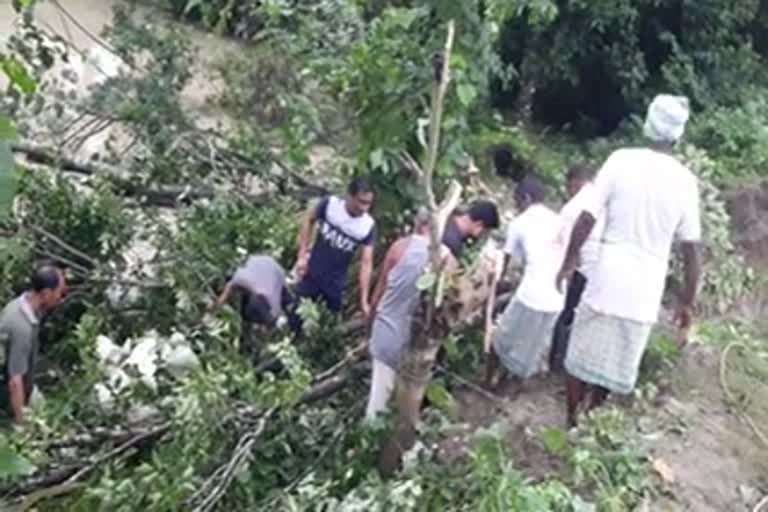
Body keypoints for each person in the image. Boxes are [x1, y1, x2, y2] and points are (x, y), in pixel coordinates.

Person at [556, 94, 701, 427]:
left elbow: (586, 217)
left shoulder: (621, 161)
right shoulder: (685, 182)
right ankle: (592, 417)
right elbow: (692, 251)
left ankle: (572, 423)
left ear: (648, 124)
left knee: (579, 356)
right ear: (678, 135)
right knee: (614, 362)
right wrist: (687, 302)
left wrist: (569, 260)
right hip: (645, 291)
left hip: (607, 278)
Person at [365, 201, 499, 421]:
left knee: (380, 398)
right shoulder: (449, 258)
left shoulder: (400, 246)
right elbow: (446, 309)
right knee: (395, 406)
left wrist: (369, 326)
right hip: (412, 342)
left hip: (385, 333)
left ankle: (375, 439)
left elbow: (379, 292)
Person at [487, 177, 566, 388]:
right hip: (557, 298)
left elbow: (504, 262)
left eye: (517, 200)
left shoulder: (520, 223)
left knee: (500, 340)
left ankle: (488, 384)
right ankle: (510, 389)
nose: (516, 205)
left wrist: (493, 287)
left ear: (526, 198)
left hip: (531, 295)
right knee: (530, 348)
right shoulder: (559, 221)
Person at [291, 177, 377, 332]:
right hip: (311, 273)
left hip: (335, 284)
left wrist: (364, 300)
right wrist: (302, 256)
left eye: (368, 203)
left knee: (328, 328)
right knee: (295, 317)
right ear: (349, 196)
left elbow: (366, 263)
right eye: (361, 202)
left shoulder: (367, 226)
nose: (364, 208)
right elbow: (309, 220)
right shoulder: (330, 205)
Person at [549, 164, 604, 371]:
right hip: (603, 270)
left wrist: (564, 267)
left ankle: (558, 363)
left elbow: (560, 242)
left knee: (566, 314)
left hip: (582, 268)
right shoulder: (603, 198)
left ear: (574, 182)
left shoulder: (573, 207)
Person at [0, 264, 66, 424]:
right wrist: (21, 424)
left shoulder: (23, 306)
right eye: (60, 292)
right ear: (46, 294)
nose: (61, 298)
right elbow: (15, 381)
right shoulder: (21, 325)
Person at [212, 255, 289, 354]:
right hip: (268, 278)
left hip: (265, 299)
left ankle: (249, 345)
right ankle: (248, 342)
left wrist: (215, 308)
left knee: (257, 319)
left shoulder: (240, 279)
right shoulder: (242, 278)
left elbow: (229, 289)